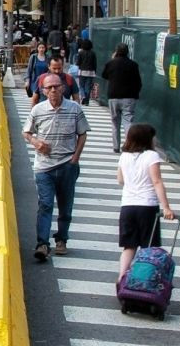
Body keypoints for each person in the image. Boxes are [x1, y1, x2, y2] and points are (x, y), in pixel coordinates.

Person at [23, 74, 90, 261]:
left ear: (63, 88)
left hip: (67, 164)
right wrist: (36, 143)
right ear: (44, 91)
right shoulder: (38, 110)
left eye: (56, 86)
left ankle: (61, 239)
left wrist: (75, 158)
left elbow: (82, 134)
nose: (53, 90)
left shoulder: (74, 109)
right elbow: (27, 132)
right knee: (45, 204)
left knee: (65, 205)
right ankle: (42, 244)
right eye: (49, 87)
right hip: (44, 167)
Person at [115, 124, 175, 282]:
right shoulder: (151, 156)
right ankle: (144, 280)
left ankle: (121, 277)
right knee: (148, 248)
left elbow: (120, 180)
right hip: (147, 206)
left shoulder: (124, 156)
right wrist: (166, 207)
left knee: (129, 246)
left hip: (127, 205)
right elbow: (156, 181)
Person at [100, 43, 142, 153]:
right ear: (128, 52)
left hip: (113, 95)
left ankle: (116, 146)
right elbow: (138, 81)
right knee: (128, 121)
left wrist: (112, 60)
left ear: (116, 51)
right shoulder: (133, 65)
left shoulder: (111, 63)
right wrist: (136, 93)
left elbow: (104, 75)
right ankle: (130, 145)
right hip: (129, 96)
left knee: (115, 122)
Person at [74, 38, 96, 105]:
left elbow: (78, 63)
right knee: (88, 86)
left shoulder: (81, 52)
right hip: (90, 72)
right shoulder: (93, 53)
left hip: (82, 71)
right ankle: (87, 100)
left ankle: (83, 96)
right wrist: (95, 71)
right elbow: (95, 63)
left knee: (81, 86)